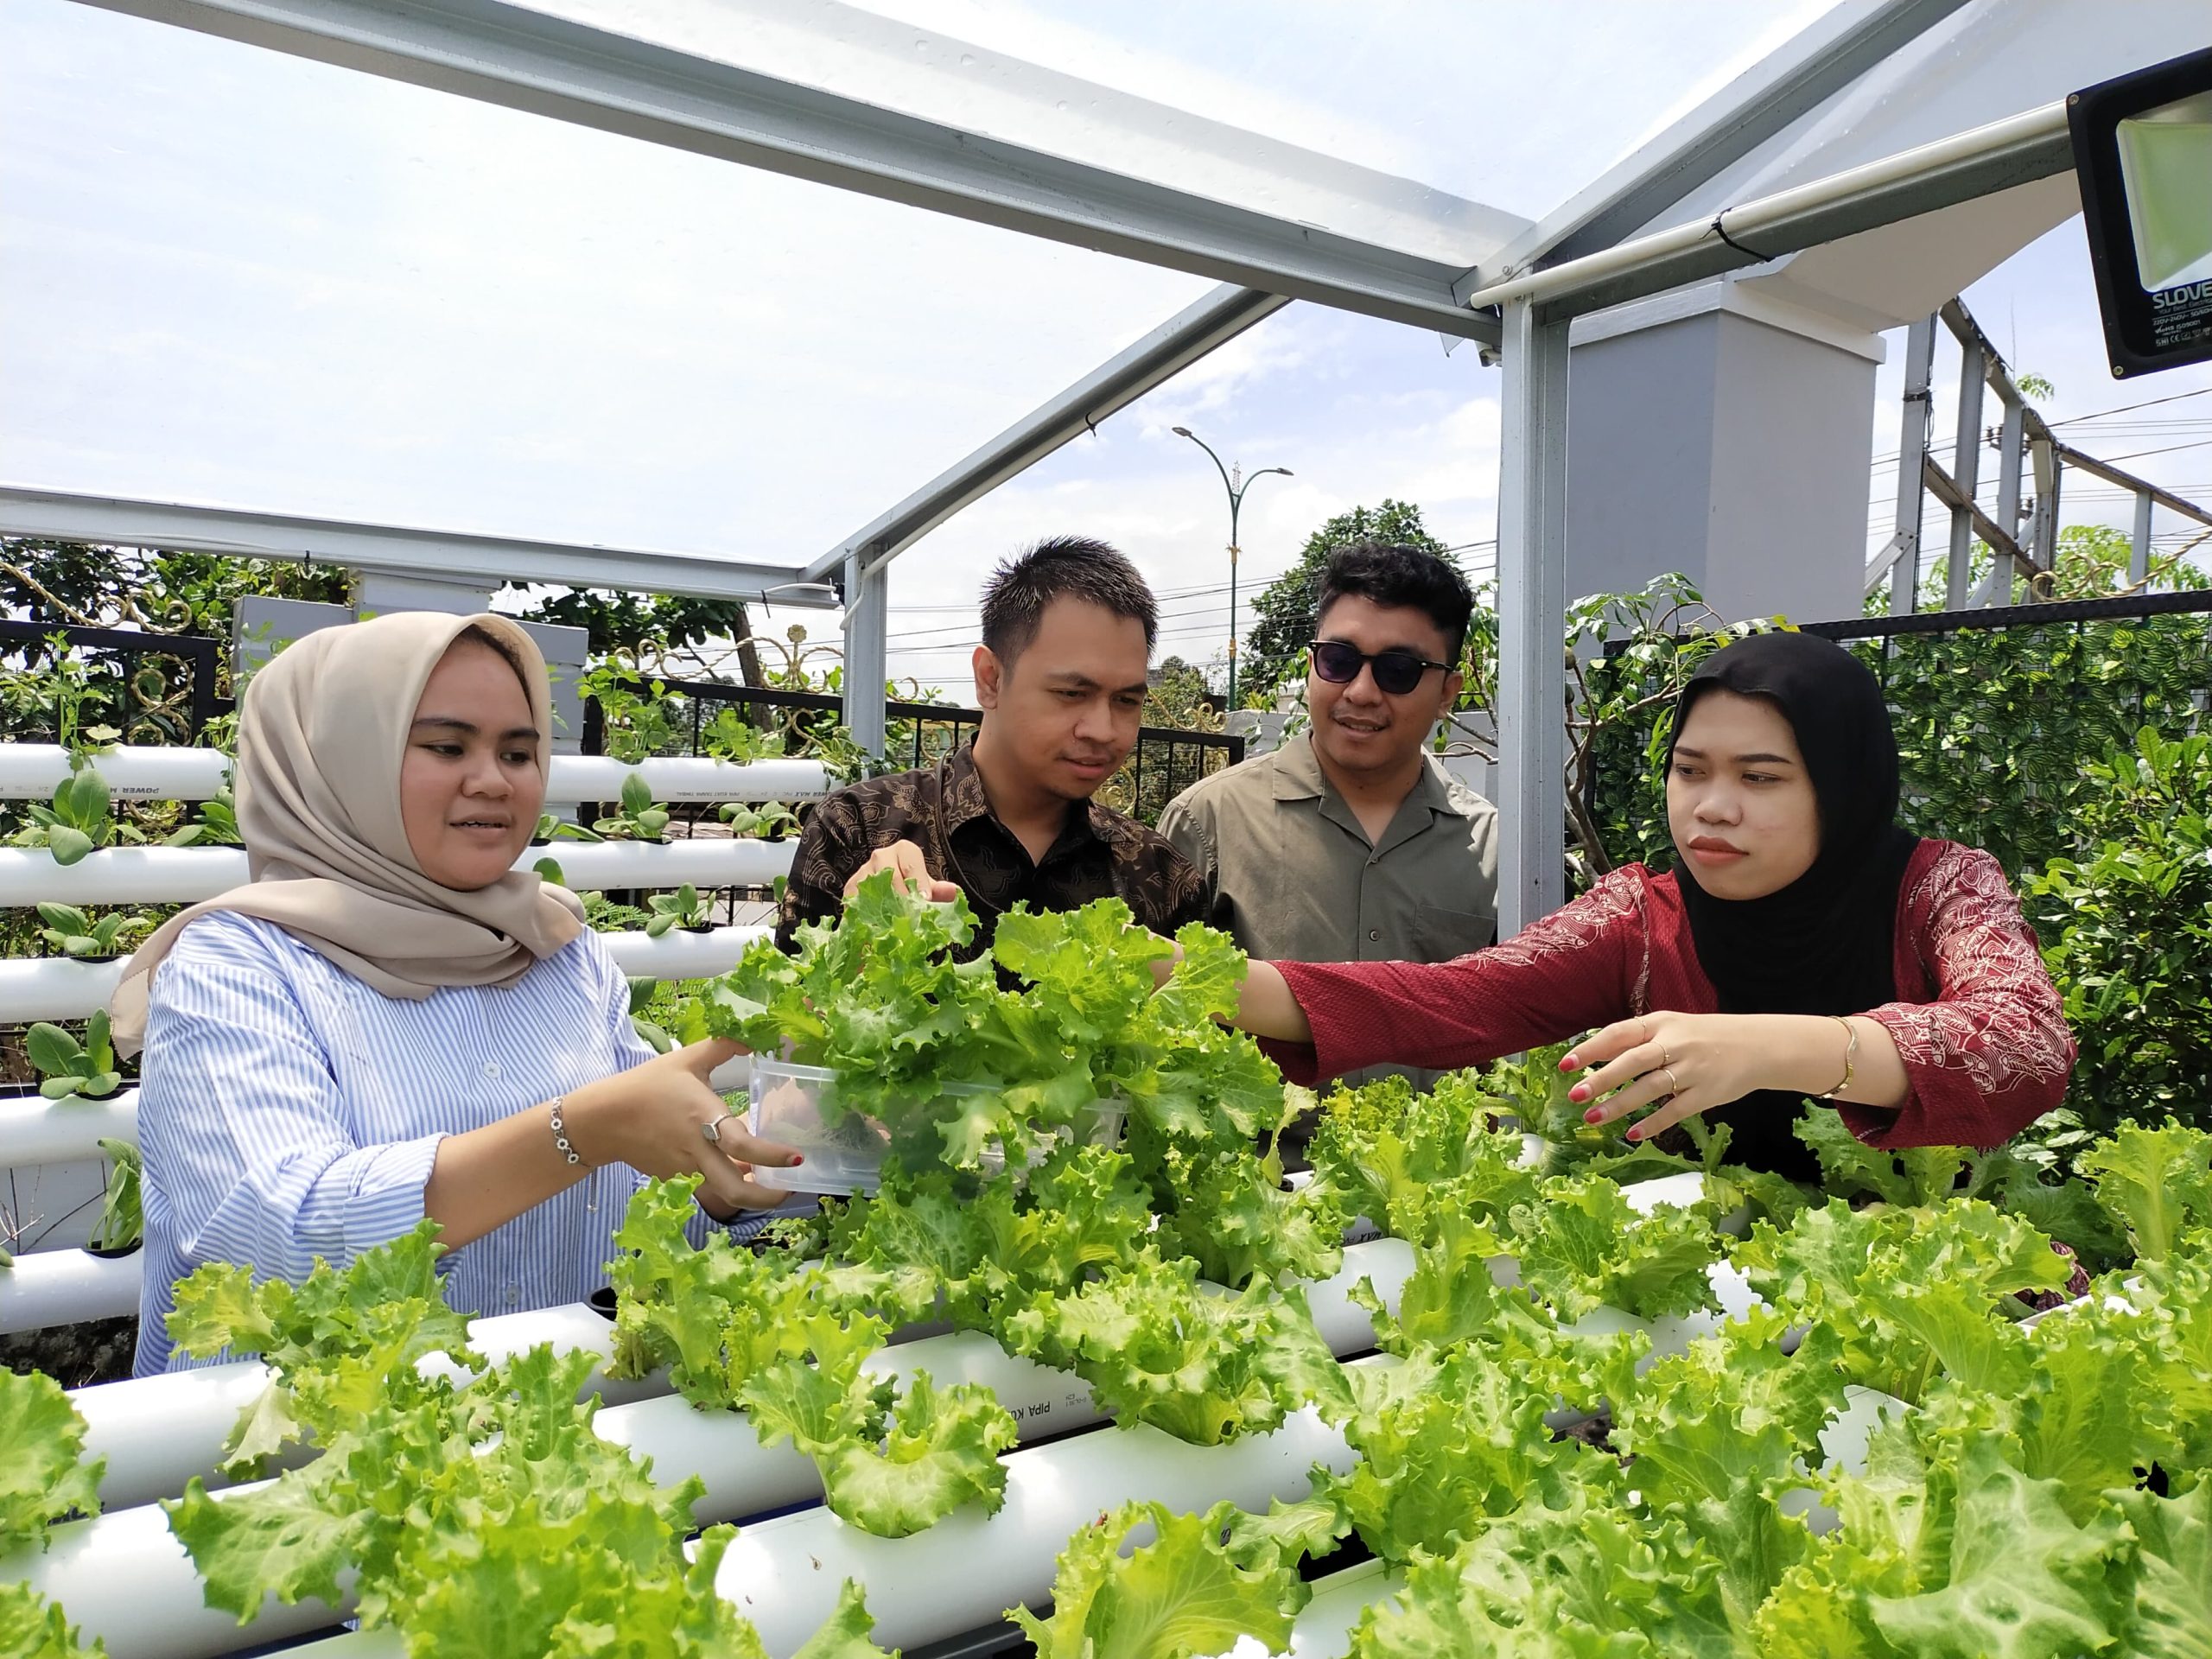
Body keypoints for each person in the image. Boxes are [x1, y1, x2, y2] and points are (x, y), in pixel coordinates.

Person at [115, 613, 799, 1376]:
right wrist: (581, 1131)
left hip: (544, 1444)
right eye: (447, 746)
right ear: (337, 762)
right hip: (313, 1463)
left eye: (519, 751)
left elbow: (634, 1221)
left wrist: (728, 1182)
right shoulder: (236, 966)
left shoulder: (558, 950)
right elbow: (275, 1243)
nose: (494, 780)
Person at [1170, 631, 2075, 1179]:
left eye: (1760, 778)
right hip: (1714, 1289)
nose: (1712, 806)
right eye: (1690, 771)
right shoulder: (1642, 918)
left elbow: (2025, 1043)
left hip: (1931, 1301)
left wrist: (1767, 1048)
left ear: (1841, 789)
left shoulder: (1940, 887)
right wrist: (1185, 976)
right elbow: (1455, 1000)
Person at [1156, 541, 1497, 1106]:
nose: (1361, 693)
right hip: (1254, 1181)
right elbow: (1157, 1025)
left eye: (1399, 671)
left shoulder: (1491, 847)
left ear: (1447, 694)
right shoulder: (1209, 821)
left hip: (1437, 1185)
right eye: (1339, 660)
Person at [776, 537, 1206, 954]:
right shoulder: (858, 828)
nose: (1103, 729)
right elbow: (787, 1017)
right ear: (990, 679)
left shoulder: (1158, 873)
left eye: (1126, 700)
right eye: (1072, 694)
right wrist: (858, 939)